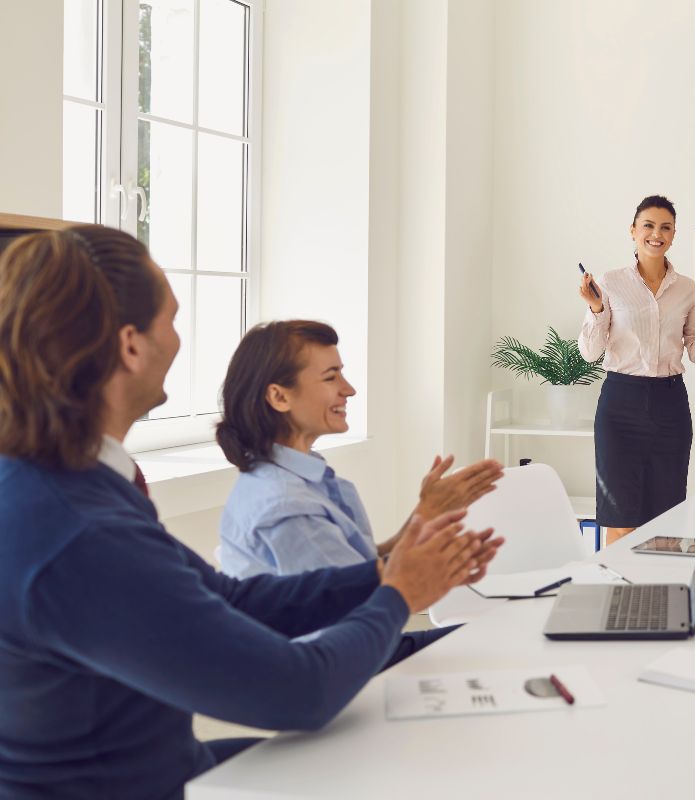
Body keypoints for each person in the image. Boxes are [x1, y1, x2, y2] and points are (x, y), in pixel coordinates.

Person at [0, 225, 503, 800]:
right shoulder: (79, 532)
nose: (179, 340)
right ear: (131, 344)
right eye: (173, 319)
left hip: (162, 768)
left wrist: (384, 575)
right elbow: (296, 693)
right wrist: (398, 595)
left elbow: (226, 597)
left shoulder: (69, 479)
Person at [216, 320, 504, 577]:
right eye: (331, 377)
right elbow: (356, 604)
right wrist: (437, 555)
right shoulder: (287, 508)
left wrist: (427, 514)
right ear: (279, 396)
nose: (349, 389)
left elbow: (361, 568)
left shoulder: (301, 478)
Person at [577, 195, 695, 544]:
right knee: (620, 518)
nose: (656, 233)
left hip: (669, 405)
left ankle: (658, 595)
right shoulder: (610, 282)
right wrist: (594, 309)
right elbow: (590, 353)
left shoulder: (687, 289)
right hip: (620, 404)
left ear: (674, 234)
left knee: (666, 518)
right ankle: (621, 593)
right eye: (648, 225)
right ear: (633, 231)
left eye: (665, 227)